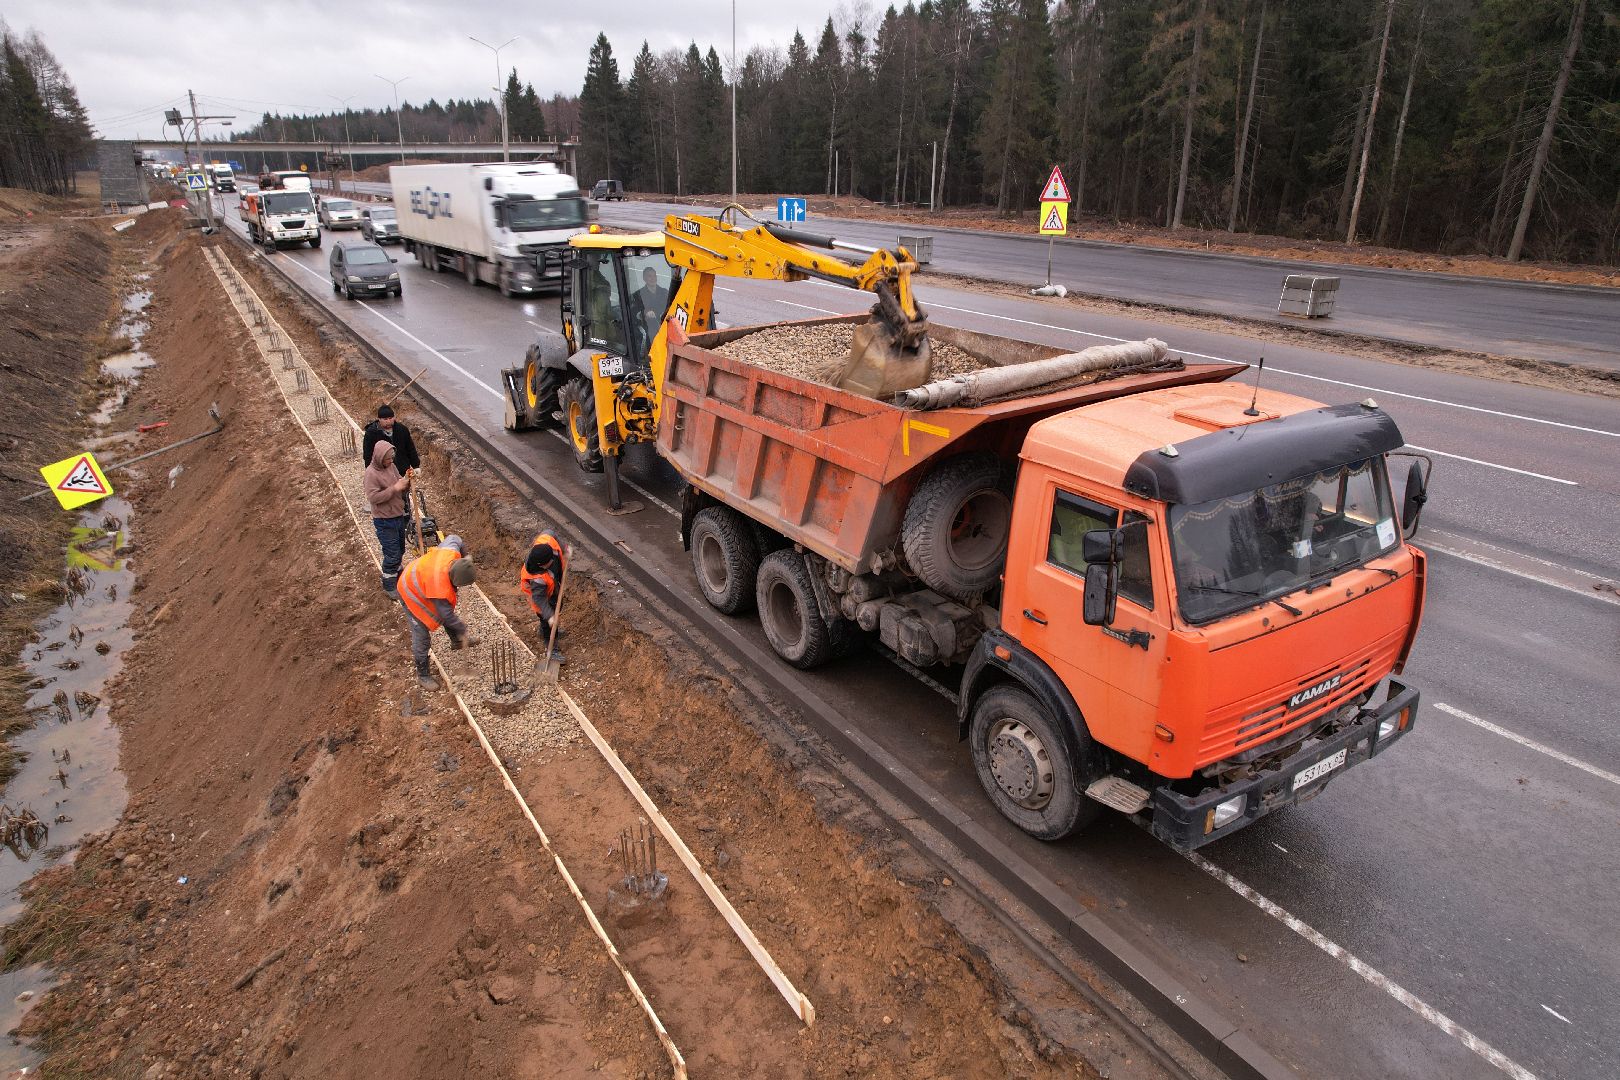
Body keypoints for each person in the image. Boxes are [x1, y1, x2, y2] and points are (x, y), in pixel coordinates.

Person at [396, 535, 478, 690]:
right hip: (409, 591)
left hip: (421, 576)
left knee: (447, 614)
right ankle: (423, 675)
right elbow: (446, 615)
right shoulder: (439, 586)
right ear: (452, 579)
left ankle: (457, 641)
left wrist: (466, 556)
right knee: (422, 635)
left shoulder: (451, 552)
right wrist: (462, 628)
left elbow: (456, 538)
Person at [363, 442, 412, 594]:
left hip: (397, 515)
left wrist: (406, 481)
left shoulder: (391, 467)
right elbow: (373, 497)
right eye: (388, 459)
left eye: (392, 458)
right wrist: (394, 488)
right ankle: (389, 585)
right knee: (392, 553)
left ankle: (398, 573)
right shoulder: (371, 474)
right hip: (384, 520)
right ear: (379, 458)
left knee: (400, 548)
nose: (391, 461)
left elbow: (399, 482)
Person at [519, 532, 567, 663]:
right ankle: (552, 648)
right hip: (540, 598)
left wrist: (564, 548)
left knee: (558, 604)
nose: (553, 561)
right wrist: (550, 616)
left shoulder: (546, 542)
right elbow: (539, 600)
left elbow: (550, 532)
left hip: (553, 586)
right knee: (548, 621)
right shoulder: (537, 580)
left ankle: (547, 628)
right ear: (541, 565)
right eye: (549, 562)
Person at [362, 405, 420, 479]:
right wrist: (370, 472)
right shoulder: (371, 433)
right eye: (385, 419)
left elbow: (410, 448)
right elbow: (368, 455)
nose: (388, 421)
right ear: (379, 419)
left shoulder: (402, 430)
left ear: (394, 417)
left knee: (403, 489)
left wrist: (416, 466)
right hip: (383, 473)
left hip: (402, 470)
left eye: (390, 418)